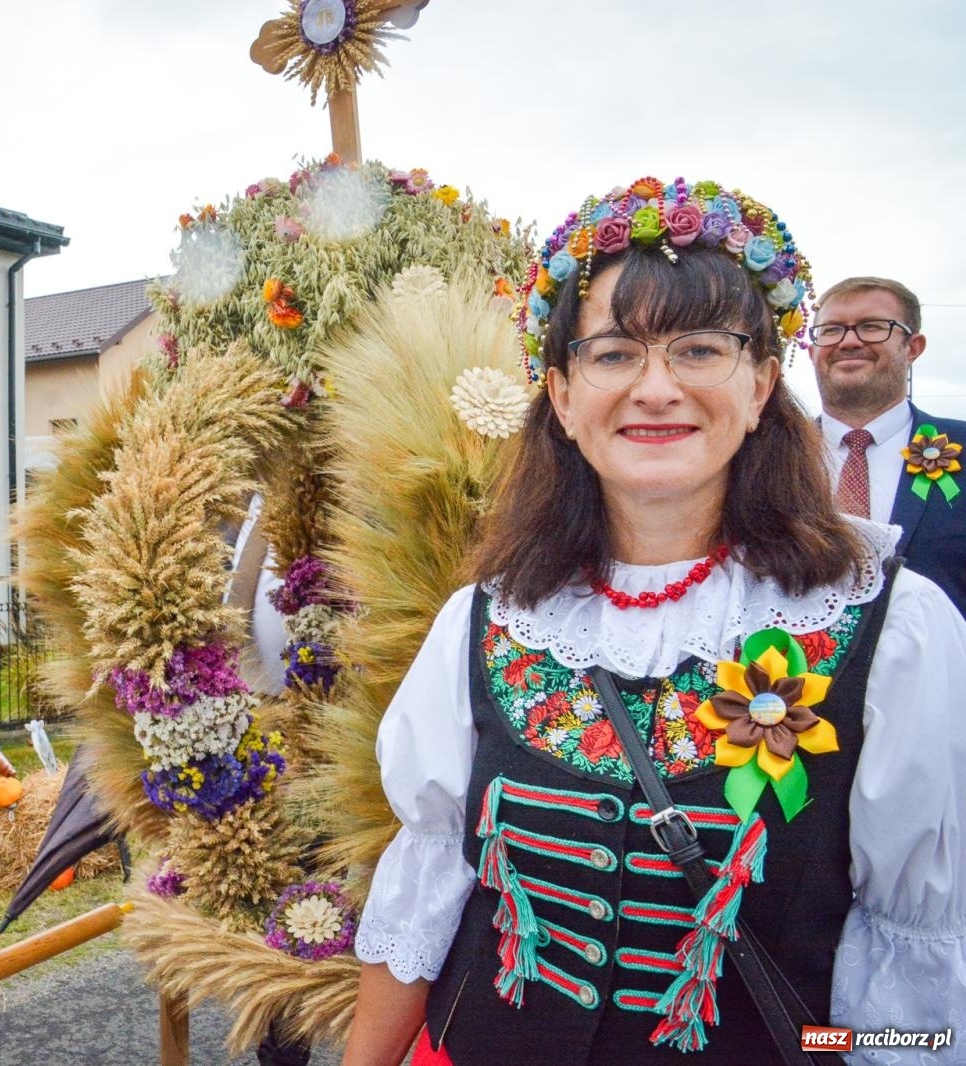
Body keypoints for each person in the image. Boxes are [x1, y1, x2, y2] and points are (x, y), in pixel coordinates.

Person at [343, 179, 966, 1065]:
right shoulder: (486, 617)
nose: (657, 388)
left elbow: (915, 960)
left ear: (761, 386)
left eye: (700, 348)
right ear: (562, 396)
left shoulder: (895, 628)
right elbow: (428, 882)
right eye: (613, 354)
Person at [810, 276, 966, 617]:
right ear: (812, 350)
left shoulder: (962, 446)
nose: (849, 341)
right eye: (832, 330)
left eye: (871, 327)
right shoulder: (765, 455)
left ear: (913, 347)